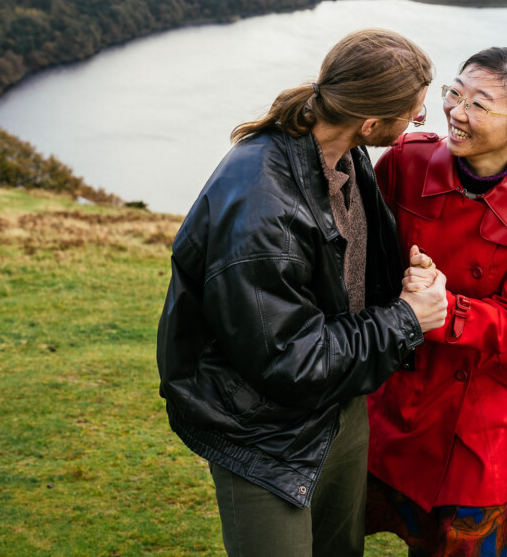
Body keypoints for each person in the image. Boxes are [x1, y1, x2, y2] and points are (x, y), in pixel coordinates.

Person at [157, 28, 450, 557]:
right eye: (415, 113)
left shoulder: (343, 156)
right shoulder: (262, 206)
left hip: (339, 402)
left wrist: (408, 286)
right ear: (371, 121)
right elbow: (287, 357)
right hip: (262, 429)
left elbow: (343, 277)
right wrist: (407, 319)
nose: (417, 124)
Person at [365, 46, 507, 556]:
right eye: (455, 94)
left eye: (480, 105)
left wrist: (438, 305)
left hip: (483, 407)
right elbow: (363, 256)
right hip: (397, 383)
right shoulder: (405, 161)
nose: (457, 113)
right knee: (334, 527)